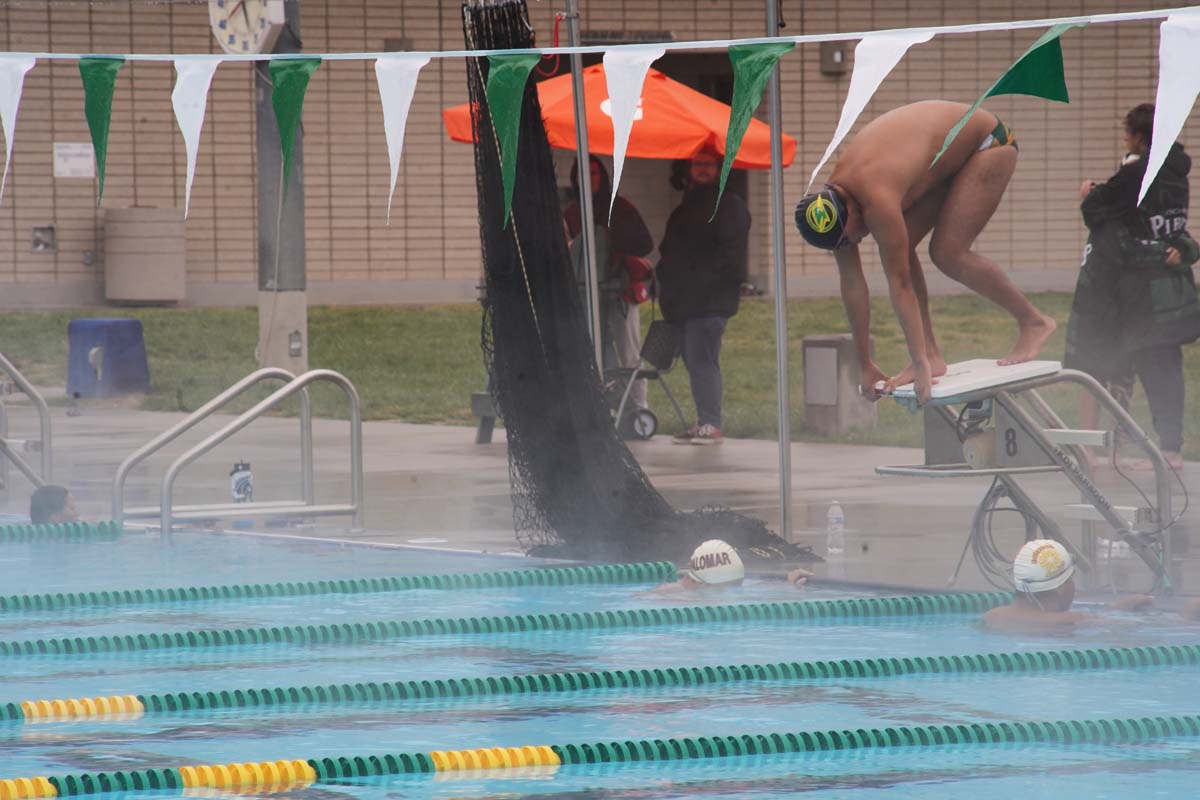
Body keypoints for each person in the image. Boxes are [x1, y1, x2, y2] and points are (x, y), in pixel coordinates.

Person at [794, 100, 1058, 405]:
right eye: (841, 245)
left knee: (948, 253)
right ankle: (931, 354)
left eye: (847, 239)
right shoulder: (833, 211)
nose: (851, 244)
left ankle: (1034, 321)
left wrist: (916, 363)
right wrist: (864, 364)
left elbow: (901, 283)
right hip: (944, 161)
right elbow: (853, 286)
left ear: (850, 212)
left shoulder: (876, 199)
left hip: (989, 144)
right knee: (903, 246)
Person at [1065, 103, 1200, 471]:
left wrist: (1091, 192)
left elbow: (1096, 210)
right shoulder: (1177, 173)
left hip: (1142, 294)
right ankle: (1169, 447)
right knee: (1165, 368)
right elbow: (1170, 226)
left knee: (1137, 366)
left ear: (1140, 137)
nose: (1125, 138)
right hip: (1173, 291)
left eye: (1128, 133)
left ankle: (1143, 451)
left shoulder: (1138, 172)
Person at [656, 149, 751, 445]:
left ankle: (711, 423)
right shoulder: (684, 208)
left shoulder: (731, 206)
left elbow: (731, 256)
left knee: (702, 360)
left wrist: (701, 282)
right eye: (697, 164)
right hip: (682, 303)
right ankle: (704, 422)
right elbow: (668, 251)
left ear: (720, 168)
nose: (702, 169)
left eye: (709, 164)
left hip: (710, 302)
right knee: (694, 361)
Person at [564, 156, 655, 416]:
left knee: (628, 351)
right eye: (582, 174)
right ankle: (603, 406)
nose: (588, 179)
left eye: (593, 173)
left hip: (620, 292)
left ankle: (639, 407)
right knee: (595, 351)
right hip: (587, 293)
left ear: (602, 177)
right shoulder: (572, 212)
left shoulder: (621, 207)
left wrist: (615, 251)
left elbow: (645, 244)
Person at [981, 538, 1161, 633]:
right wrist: (1121, 608)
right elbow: (1129, 626)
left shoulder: (992, 616)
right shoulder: (1072, 620)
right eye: (1070, 578)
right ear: (1061, 587)